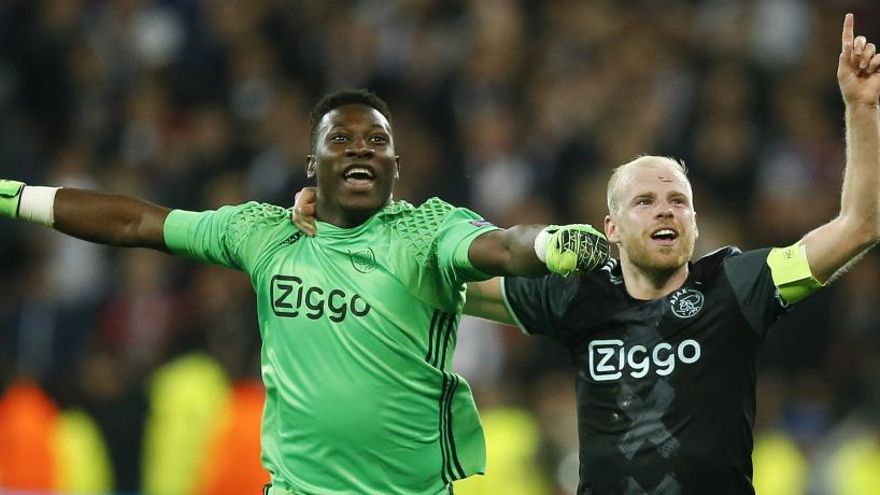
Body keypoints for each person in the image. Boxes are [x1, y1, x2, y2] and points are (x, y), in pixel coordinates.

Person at [293, 15, 880, 494]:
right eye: (645, 201)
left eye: (679, 200)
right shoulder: (581, 294)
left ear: (696, 222)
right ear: (612, 228)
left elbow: (858, 227)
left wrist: (861, 109)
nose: (666, 210)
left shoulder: (737, 282)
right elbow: (437, 280)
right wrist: (349, 228)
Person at [0, 89, 611, 494]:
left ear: (396, 166)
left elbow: (501, 248)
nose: (360, 150)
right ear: (310, 163)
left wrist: (556, 244)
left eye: (376, 142)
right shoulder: (263, 233)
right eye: (341, 140)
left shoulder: (425, 232)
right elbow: (138, 222)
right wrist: (15, 197)